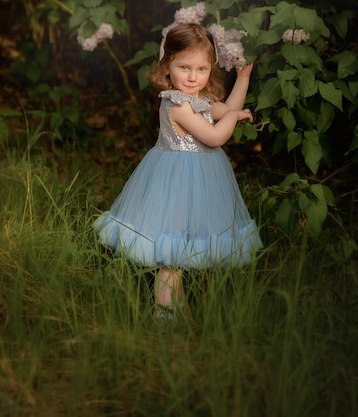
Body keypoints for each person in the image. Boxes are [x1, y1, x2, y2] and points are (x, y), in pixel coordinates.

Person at [93, 22, 263, 321]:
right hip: (174, 181)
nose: (193, 76)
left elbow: (225, 109)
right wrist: (234, 116)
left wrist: (243, 80)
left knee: (188, 246)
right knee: (171, 254)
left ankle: (180, 306)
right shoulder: (176, 104)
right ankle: (165, 315)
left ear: (211, 69)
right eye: (184, 67)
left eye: (202, 69)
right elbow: (215, 137)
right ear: (167, 65)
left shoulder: (200, 100)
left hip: (204, 182)